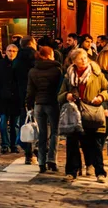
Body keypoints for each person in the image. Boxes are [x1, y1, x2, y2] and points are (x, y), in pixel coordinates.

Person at [58, 48, 108, 183]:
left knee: (94, 143)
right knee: (72, 143)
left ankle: (100, 172)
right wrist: (66, 96)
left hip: (91, 112)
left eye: (85, 57)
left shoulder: (97, 74)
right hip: (74, 114)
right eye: (80, 58)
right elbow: (59, 96)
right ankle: (71, 172)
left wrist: (101, 97)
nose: (84, 60)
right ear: (73, 61)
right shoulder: (69, 75)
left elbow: (107, 90)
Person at [26, 45, 62, 173]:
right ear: (48, 55)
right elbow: (59, 88)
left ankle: (41, 161)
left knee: (42, 133)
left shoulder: (33, 71)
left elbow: (30, 90)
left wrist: (29, 104)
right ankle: (52, 159)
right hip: (52, 103)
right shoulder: (57, 70)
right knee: (55, 132)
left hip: (39, 103)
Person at [13, 35, 37, 164]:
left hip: (21, 94)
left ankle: (28, 150)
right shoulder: (36, 57)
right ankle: (38, 148)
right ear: (32, 43)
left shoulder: (17, 60)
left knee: (25, 121)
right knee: (39, 121)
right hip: (37, 94)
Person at [0, 44, 20, 154]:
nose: (11, 53)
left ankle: (13, 144)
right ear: (5, 51)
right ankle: (5, 143)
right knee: (3, 121)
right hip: (3, 97)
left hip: (16, 98)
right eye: (9, 50)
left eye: (14, 51)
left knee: (14, 124)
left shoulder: (19, 65)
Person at [96, 49, 108, 146]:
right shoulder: (102, 75)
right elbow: (100, 91)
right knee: (102, 133)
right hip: (105, 108)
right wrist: (104, 107)